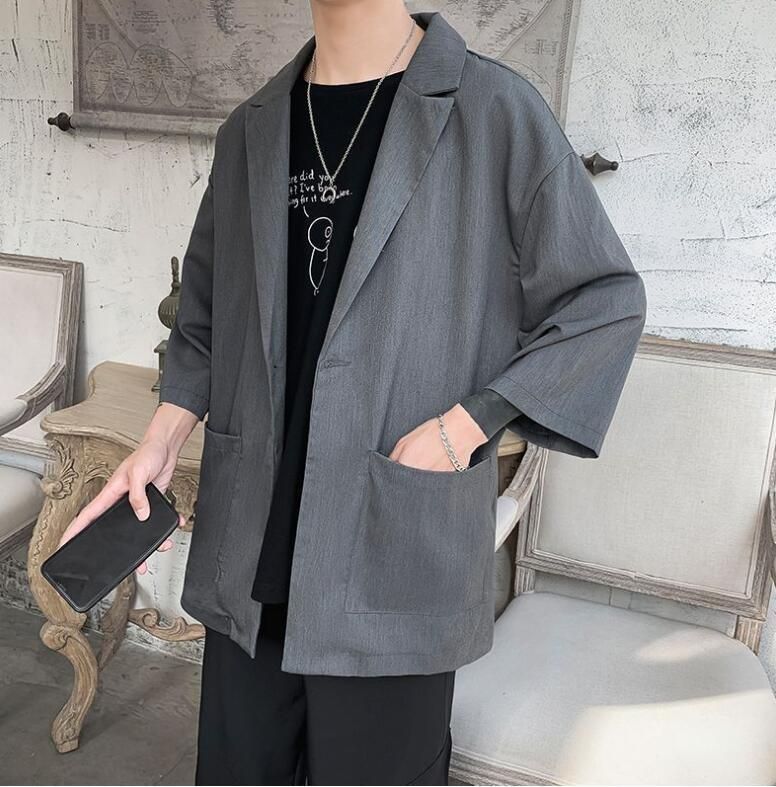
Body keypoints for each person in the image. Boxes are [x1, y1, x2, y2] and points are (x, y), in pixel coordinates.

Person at [60, 3, 648, 784]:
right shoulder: (252, 128)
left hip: (391, 557)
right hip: (252, 559)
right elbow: (203, 321)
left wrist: (467, 425)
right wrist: (158, 442)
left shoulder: (494, 113)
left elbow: (603, 301)